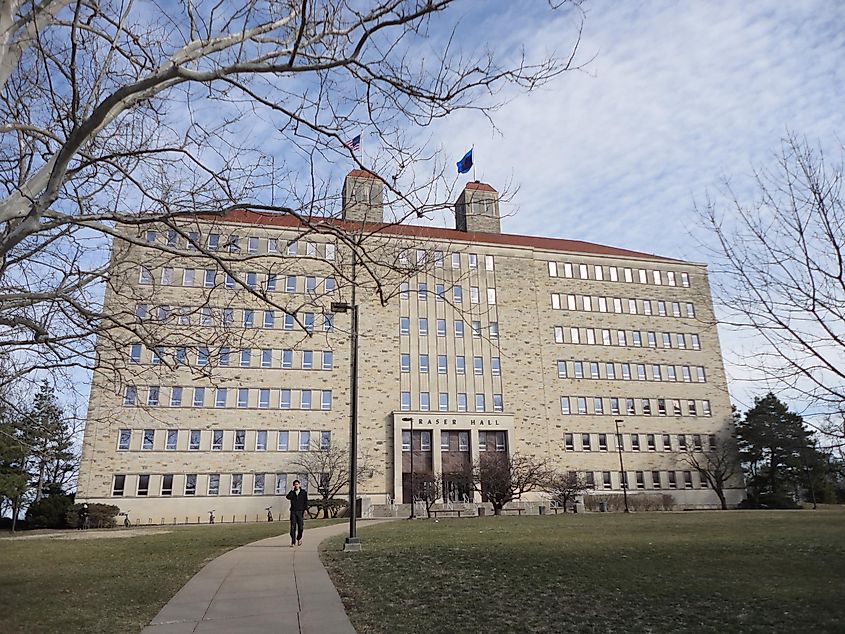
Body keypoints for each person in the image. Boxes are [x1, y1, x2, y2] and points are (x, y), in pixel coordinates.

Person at [286, 479, 308, 547]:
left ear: (299, 485)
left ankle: (299, 538)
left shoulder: (303, 492)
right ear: (293, 485)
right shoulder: (292, 493)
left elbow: (305, 502)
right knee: (293, 527)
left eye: (297, 484)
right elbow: (288, 497)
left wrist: (305, 510)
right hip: (293, 511)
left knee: (301, 527)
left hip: (300, 511)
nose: (296, 485)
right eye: (295, 484)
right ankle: (293, 542)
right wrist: (292, 490)